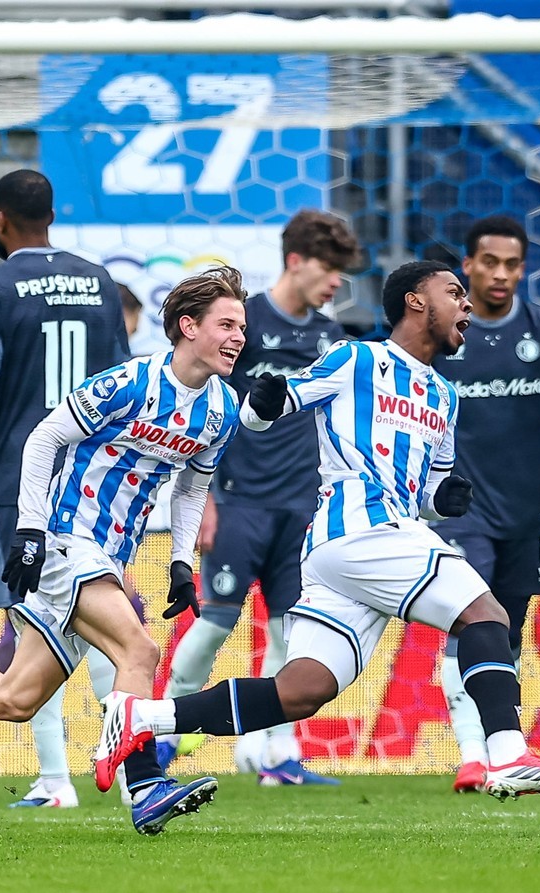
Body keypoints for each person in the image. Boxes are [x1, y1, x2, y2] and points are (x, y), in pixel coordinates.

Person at [93, 261, 540, 801]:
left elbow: (429, 491)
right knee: (485, 613)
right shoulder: (358, 359)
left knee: (299, 691)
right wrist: (263, 402)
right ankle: (507, 755)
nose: (467, 305)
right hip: (362, 527)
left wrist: (441, 499)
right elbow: (272, 408)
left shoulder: (444, 397)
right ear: (415, 301)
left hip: (360, 549)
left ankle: (143, 716)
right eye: (454, 293)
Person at [0, 266, 249, 834]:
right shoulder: (130, 383)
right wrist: (31, 530)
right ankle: (144, 785)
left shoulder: (222, 410)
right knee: (137, 649)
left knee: (14, 698)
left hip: (110, 554)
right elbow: (43, 438)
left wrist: (182, 560)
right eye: (227, 324)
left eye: (242, 326)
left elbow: (192, 487)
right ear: (188, 326)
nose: (239, 336)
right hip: (67, 540)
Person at [0, 169, 131, 807]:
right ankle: (127, 769)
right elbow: (123, 384)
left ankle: (58, 780)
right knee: (101, 621)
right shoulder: (99, 282)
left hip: (17, 484)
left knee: (35, 623)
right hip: (92, 484)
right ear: (52, 215)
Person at [157, 209, 359, 785]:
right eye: (329, 268)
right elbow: (204, 407)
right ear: (295, 261)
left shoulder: (329, 339)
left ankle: (276, 755)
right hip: (239, 501)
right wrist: (206, 499)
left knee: (289, 630)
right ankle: (169, 729)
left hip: (301, 508)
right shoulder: (243, 325)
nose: (337, 281)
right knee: (217, 620)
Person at [432, 215, 540, 793]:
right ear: (469, 265)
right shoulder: (444, 336)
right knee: (469, 622)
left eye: (512, 265)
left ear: (523, 268)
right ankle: (473, 755)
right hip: (461, 510)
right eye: (489, 263)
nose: (500, 275)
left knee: (508, 631)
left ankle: (504, 753)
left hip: (525, 513)